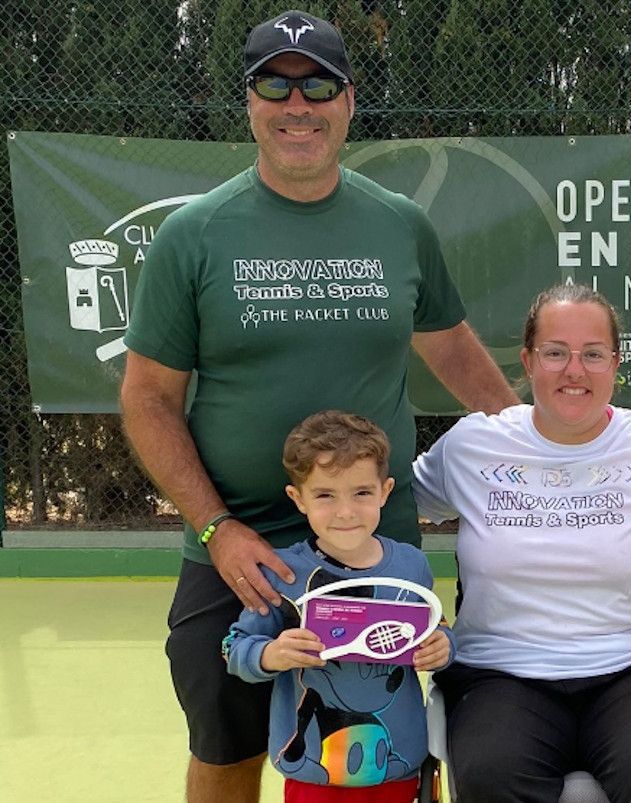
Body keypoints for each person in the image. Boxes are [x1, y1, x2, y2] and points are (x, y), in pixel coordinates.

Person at [119, 10, 518, 802]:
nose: (297, 104)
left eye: (317, 85)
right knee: (228, 745)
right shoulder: (193, 236)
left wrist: (541, 454)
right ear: (249, 101)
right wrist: (216, 528)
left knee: (403, 745)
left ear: (349, 100)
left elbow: (456, 352)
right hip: (240, 555)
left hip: (376, 547)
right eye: (276, 83)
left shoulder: (400, 225)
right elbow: (148, 398)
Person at [411, 284, 631, 803]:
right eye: (555, 353)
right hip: (499, 670)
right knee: (489, 776)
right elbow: (379, 502)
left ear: (616, 363)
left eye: (593, 354)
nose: (575, 370)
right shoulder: (473, 445)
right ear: (527, 361)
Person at [223, 410, 453, 802]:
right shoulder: (283, 573)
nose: (345, 511)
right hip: (313, 772)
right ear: (298, 499)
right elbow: (235, 647)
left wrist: (444, 647)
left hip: (397, 764)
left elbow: (438, 627)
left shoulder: (411, 566)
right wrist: (272, 654)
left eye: (361, 493)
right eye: (325, 495)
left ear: (385, 491)